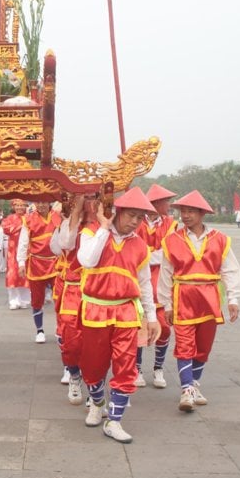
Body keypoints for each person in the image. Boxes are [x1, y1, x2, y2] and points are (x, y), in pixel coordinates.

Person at [75, 187, 160, 443]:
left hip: (126, 311)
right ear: (117, 212)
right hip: (94, 310)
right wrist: (103, 226)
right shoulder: (92, 232)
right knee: (92, 365)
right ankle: (97, 402)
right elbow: (86, 260)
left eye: (140, 217)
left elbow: (144, 284)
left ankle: (115, 420)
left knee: (126, 366)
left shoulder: (141, 246)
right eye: (131, 215)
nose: (135, 222)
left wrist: (152, 316)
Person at [158, 191, 240, 412]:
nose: (185, 215)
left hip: (209, 298)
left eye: (190, 211)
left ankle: (194, 384)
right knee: (184, 344)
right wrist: (166, 303)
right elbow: (166, 273)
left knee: (203, 347)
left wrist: (233, 298)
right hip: (183, 296)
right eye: (182, 211)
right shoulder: (172, 240)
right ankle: (186, 390)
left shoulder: (220, 240)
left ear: (202, 213)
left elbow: (230, 270)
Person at [50, 192, 96, 399]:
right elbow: (64, 245)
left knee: (96, 342)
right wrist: (75, 215)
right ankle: (74, 375)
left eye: (93, 197)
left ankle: (95, 390)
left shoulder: (104, 225)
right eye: (84, 198)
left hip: (96, 288)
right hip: (72, 289)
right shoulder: (69, 224)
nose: (89, 202)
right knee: (70, 339)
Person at [136, 183, 178, 388]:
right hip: (139, 280)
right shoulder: (136, 222)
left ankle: (158, 368)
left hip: (162, 280)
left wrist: (144, 256)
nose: (169, 205)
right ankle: (137, 369)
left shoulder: (171, 224)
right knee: (139, 326)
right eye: (166, 201)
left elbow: (168, 253)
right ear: (155, 204)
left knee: (165, 327)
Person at [16, 199, 62, 343]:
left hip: (56, 263)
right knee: (37, 300)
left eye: (44, 201)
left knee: (60, 298)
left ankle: (61, 328)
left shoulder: (59, 216)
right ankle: (39, 330)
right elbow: (23, 242)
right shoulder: (28, 220)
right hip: (36, 263)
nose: (42, 204)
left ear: (49, 203)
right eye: (39, 202)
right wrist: (21, 262)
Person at [2, 199, 29, 309]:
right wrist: (21, 227)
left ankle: (24, 300)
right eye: (17, 205)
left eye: (22, 205)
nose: (19, 208)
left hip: (27, 250)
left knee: (25, 275)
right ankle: (13, 300)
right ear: (13, 207)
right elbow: (6, 229)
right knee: (12, 275)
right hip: (13, 252)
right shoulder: (9, 218)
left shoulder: (29, 218)